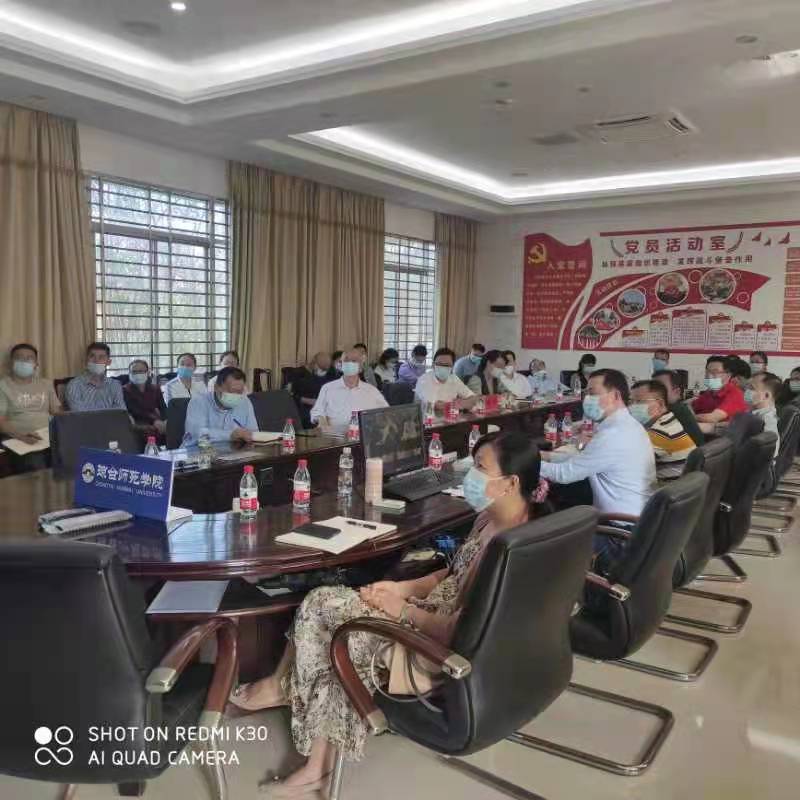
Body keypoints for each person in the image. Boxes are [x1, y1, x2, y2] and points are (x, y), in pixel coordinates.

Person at [227, 432, 551, 792]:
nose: (470, 475)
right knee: (320, 600)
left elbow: (459, 632)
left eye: (480, 467)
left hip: (434, 647)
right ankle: (281, 685)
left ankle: (318, 763)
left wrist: (401, 610)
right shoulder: (491, 519)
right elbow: (452, 573)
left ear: (510, 483)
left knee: (339, 637)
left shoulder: (508, 552)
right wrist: (403, 589)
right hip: (425, 611)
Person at [540, 368, 656, 517]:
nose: (587, 399)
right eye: (586, 393)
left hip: (619, 524)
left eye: (592, 393)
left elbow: (565, 474)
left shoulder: (613, 434)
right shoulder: (627, 424)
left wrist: (530, 463)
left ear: (615, 396)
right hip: (638, 515)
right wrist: (548, 456)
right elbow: (587, 460)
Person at [0, 343, 60, 472]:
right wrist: (22, 436)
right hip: (17, 438)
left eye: (29, 358)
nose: (24, 361)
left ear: (36, 364)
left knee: (71, 456)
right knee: (36, 466)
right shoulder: (3, 386)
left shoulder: (46, 383)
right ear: (11, 363)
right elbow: (1, 422)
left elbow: (56, 412)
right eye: (19, 358)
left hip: (48, 436)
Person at [310, 349, 388, 432]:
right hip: (334, 436)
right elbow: (316, 411)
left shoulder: (372, 391)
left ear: (361, 367)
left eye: (354, 361)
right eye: (346, 360)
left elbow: (387, 413)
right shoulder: (328, 388)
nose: (349, 363)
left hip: (364, 436)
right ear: (341, 365)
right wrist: (321, 420)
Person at [630, 380, 696, 476]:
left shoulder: (661, 432)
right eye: (631, 401)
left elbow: (628, 463)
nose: (632, 406)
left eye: (639, 401)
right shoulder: (667, 420)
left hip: (668, 484)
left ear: (660, 404)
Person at [183, 366, 258, 446]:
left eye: (239, 392)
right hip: (199, 451)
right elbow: (196, 434)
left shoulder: (245, 401)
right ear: (216, 387)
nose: (236, 396)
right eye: (232, 391)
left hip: (235, 451)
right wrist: (230, 435)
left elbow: (253, 432)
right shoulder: (198, 402)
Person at [65, 342, 126, 412]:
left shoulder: (115, 385)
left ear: (108, 362)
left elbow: (121, 412)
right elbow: (80, 414)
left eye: (101, 357)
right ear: (86, 360)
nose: (96, 361)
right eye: (92, 356)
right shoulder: (74, 385)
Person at [414, 347, 477, 412]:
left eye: (447, 365)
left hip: (451, 416)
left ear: (452, 366)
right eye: (439, 364)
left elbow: (473, 398)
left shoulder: (454, 379)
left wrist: (463, 402)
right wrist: (459, 404)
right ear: (433, 365)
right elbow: (435, 406)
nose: (442, 367)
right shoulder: (423, 380)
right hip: (428, 417)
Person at [653, 369, 704, 446]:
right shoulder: (676, 407)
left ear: (676, 392)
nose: (654, 393)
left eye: (660, 388)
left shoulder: (675, 411)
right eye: (652, 389)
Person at [692, 356, 748, 425]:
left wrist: (687, 417)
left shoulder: (735, 394)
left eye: (715, 372)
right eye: (707, 372)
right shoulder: (710, 393)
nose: (709, 376)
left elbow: (712, 418)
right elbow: (691, 405)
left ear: (728, 375)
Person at [123, 359, 167, 439]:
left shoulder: (155, 389)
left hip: (157, 422)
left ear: (147, 372)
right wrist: (154, 421)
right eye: (134, 372)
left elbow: (163, 407)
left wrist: (165, 421)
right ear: (129, 373)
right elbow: (135, 410)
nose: (137, 374)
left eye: (140, 371)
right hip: (137, 422)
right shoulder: (125, 390)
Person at [293, 352, 338, 428]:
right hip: (304, 411)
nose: (323, 372)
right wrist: (306, 400)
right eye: (321, 368)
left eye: (325, 370)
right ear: (314, 362)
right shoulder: (298, 374)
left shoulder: (330, 374)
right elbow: (289, 397)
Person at [745, 371, 782, 458]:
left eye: (751, 388)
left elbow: (770, 454)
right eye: (747, 387)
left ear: (766, 396)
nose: (746, 391)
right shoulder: (753, 413)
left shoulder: (767, 421)